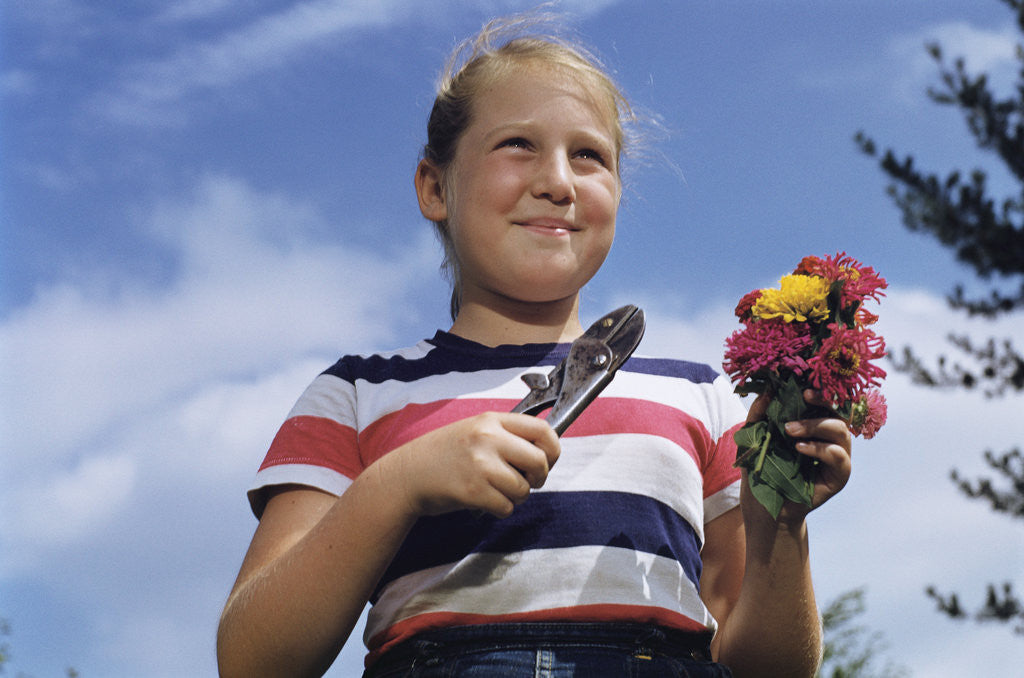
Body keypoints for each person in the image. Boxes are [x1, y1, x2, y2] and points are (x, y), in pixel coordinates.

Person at [216, 14, 853, 678]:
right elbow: (253, 659)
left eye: (589, 155)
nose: (558, 181)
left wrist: (783, 525)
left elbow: (770, 669)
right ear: (435, 188)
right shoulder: (354, 395)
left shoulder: (704, 399)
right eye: (518, 144)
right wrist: (395, 485)